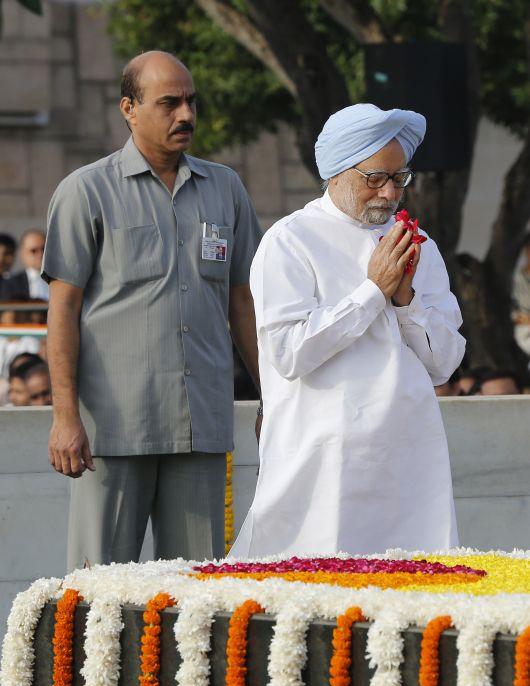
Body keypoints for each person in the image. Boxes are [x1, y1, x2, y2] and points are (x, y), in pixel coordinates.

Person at [42, 51, 262, 570]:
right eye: (168, 103)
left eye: (190, 102)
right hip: (113, 431)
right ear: (129, 108)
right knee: (100, 590)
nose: (185, 115)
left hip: (201, 424)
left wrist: (271, 393)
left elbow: (244, 302)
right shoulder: (85, 191)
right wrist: (65, 416)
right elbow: (62, 311)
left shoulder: (225, 187)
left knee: (198, 594)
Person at [231, 104, 466, 558]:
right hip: (323, 458)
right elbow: (287, 352)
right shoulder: (290, 241)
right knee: (316, 600)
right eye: (375, 178)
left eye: (399, 179)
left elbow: (444, 365)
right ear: (337, 172)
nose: (389, 193)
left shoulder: (416, 244)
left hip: (406, 457)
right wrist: (372, 291)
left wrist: (404, 301)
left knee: (415, 597)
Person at [4, 229, 49, 301]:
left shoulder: (60, 281)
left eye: (43, 249)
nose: (40, 254)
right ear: (23, 254)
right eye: (33, 251)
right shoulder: (10, 284)